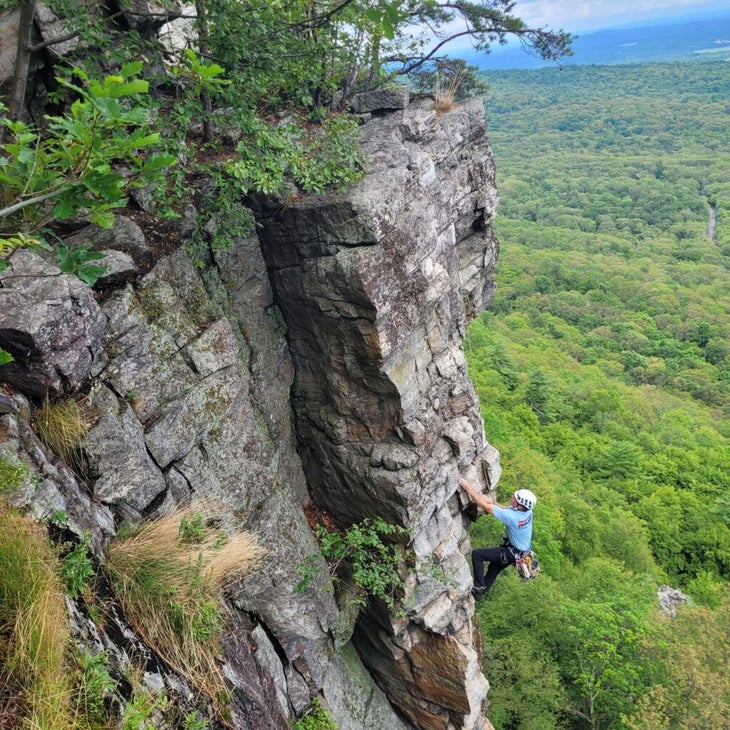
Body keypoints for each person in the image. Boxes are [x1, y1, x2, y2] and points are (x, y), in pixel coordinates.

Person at [458, 477, 536, 600]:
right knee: (494, 568)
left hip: (511, 553)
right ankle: (481, 592)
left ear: (520, 506)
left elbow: (485, 507)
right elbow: (507, 509)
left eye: (515, 498)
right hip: (520, 553)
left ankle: (479, 587)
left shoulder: (513, 517)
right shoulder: (528, 512)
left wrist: (468, 488)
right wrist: (493, 502)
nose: (512, 497)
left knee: (477, 555)